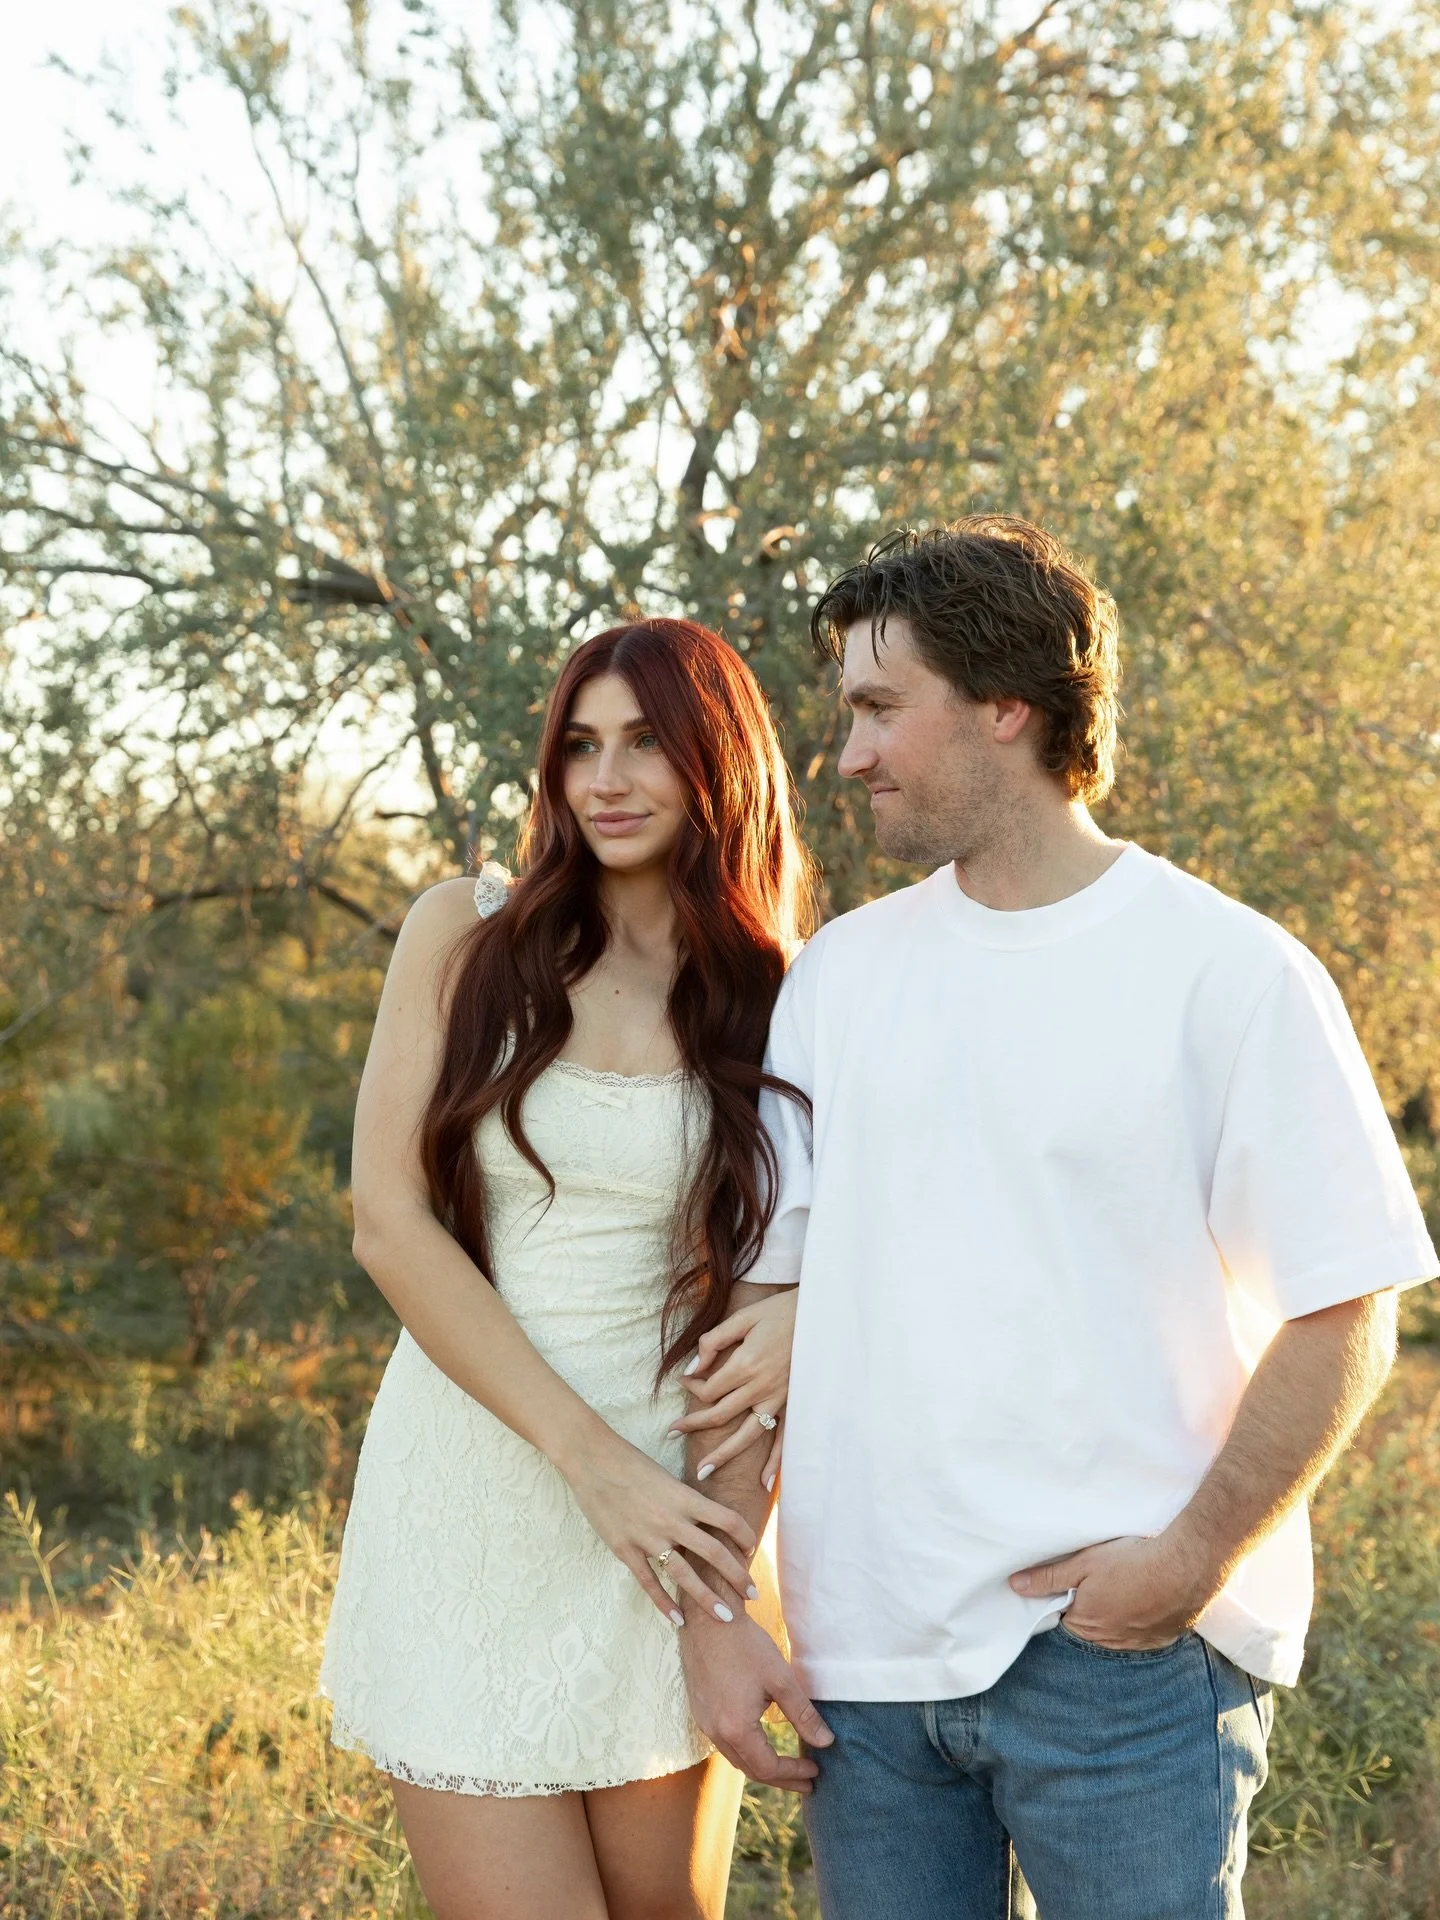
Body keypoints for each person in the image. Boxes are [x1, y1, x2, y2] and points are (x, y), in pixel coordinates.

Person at [673, 518, 1439, 1919]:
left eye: (880, 708)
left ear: (1006, 706)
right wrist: (719, 1616)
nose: (848, 756)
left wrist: (1188, 1563)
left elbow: (1347, 1309)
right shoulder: (841, 979)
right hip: (869, 1675)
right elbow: (760, 1321)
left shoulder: (1230, 974)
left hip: (1125, 1667)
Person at [319, 617, 819, 1920]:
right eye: (580, 746)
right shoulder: (465, 934)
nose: (606, 779)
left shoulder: (780, 993)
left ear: (718, 761)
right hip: (480, 1488)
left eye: (646, 743)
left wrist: (718, 1568)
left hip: (672, 1519)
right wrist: (594, 1466)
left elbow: (775, 1278)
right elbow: (388, 1222)